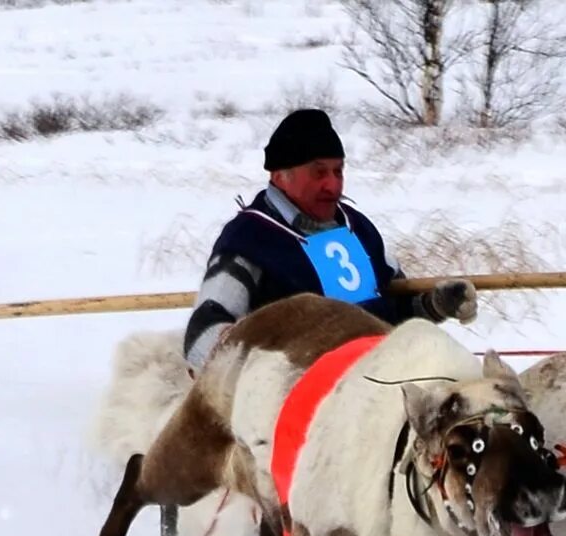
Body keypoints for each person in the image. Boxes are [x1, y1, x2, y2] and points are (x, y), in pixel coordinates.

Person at [182, 108, 478, 371]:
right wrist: (261, 369)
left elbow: (396, 310)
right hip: (301, 403)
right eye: (319, 173)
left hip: (380, 383)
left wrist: (435, 304)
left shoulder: (358, 227)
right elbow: (202, 336)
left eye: (338, 171)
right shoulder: (250, 239)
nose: (332, 185)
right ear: (280, 176)